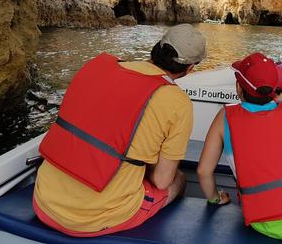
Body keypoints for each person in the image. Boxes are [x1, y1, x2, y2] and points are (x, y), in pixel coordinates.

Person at [33, 24, 206, 237]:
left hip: (43, 200)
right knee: (178, 179)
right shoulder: (177, 103)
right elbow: (162, 181)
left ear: (157, 48)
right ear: (190, 68)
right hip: (92, 220)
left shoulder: (98, 66)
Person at [197, 53, 282, 242]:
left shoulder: (225, 117)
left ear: (238, 87)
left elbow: (203, 171)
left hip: (269, 225)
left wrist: (215, 198)